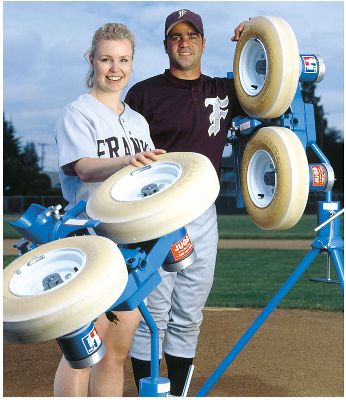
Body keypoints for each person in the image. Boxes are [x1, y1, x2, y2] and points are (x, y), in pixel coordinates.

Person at [125, 9, 247, 396]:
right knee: (153, 313)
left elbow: (273, 84)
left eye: (191, 34)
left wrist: (252, 38)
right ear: (165, 45)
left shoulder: (225, 91)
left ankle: (176, 394)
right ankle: (149, 392)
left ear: (203, 42)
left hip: (202, 212)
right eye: (175, 36)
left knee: (189, 312)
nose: (184, 41)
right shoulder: (143, 93)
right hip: (156, 212)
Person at [53, 22, 165, 397]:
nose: (114, 68)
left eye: (123, 60)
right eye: (106, 59)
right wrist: (127, 160)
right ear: (92, 59)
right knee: (83, 354)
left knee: (116, 351)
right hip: (89, 242)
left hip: (129, 246)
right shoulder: (77, 113)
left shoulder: (137, 121)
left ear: (132, 63)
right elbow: (83, 167)